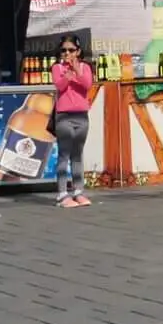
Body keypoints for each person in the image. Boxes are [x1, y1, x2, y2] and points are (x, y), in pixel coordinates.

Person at [51, 35, 95, 208]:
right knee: (64, 155)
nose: (67, 53)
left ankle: (78, 191)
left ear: (78, 51)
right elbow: (59, 85)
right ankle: (62, 194)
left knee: (77, 155)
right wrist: (68, 76)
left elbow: (87, 84)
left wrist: (76, 70)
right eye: (64, 50)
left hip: (81, 116)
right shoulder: (57, 67)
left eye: (71, 50)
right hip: (64, 116)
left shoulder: (84, 67)